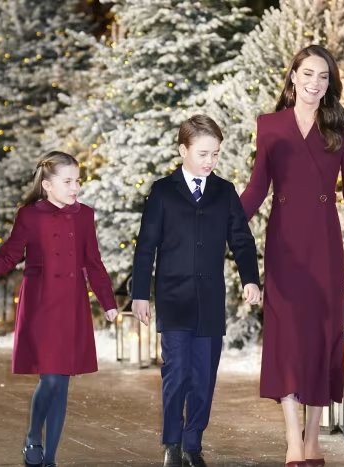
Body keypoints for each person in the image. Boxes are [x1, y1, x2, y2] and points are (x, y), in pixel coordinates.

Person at [239, 45, 344, 467]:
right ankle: (292, 439)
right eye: (308, 74)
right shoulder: (270, 126)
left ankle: (313, 436)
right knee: (285, 337)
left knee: (323, 336)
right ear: (293, 77)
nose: (315, 83)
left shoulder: (343, 124)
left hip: (324, 243)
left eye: (323, 76)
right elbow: (256, 188)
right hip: (283, 244)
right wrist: (226, 225)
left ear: (329, 83)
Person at [0, 151, 118, 467]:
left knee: (61, 381)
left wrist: (108, 302)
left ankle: (49, 458)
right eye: (68, 181)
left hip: (72, 307)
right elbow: (9, 256)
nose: (75, 187)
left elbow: (93, 262)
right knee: (50, 379)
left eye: (77, 180)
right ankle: (34, 437)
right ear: (47, 185)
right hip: (41, 306)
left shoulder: (84, 215)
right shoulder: (29, 216)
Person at [130, 115, 261, 467]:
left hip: (210, 302)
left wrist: (251, 278)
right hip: (173, 300)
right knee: (177, 373)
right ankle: (172, 443)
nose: (209, 161)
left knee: (204, 376)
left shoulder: (224, 192)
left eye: (215, 154)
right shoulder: (162, 191)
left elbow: (242, 242)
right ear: (182, 150)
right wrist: (140, 293)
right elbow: (146, 247)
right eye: (203, 153)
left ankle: (193, 444)